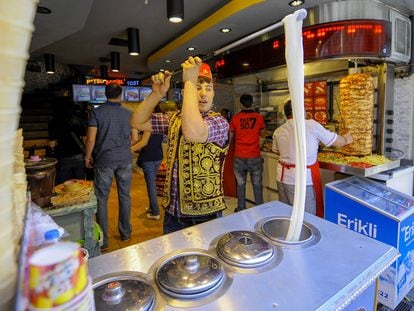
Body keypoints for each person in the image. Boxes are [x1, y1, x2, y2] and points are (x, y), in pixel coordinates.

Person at [131, 56, 230, 234]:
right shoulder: (174, 119)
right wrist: (157, 94)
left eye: (208, 89)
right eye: (197, 87)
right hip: (172, 213)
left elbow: (194, 132)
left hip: (205, 216)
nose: (203, 93)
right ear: (186, 94)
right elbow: (137, 121)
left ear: (213, 94)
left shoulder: (219, 122)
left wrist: (190, 82)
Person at [272, 99, 353, 217]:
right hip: (301, 179)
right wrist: (347, 139)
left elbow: (276, 151)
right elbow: (337, 142)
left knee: (286, 212)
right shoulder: (311, 125)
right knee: (306, 216)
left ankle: (287, 234)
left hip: (282, 177)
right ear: (301, 110)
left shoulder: (278, 131)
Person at [84, 82, 134, 251]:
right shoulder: (129, 113)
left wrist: (87, 156)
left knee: (102, 199)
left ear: (105, 94)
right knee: (125, 196)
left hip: (104, 160)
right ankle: (126, 232)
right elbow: (134, 137)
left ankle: (104, 241)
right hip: (125, 159)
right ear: (120, 94)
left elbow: (90, 139)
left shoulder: (96, 113)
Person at [229, 94, 265, 212]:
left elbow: (230, 136)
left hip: (239, 155)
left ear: (241, 104)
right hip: (254, 155)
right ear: (252, 103)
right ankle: (260, 207)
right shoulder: (259, 117)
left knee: (240, 183)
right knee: (257, 183)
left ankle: (241, 207)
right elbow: (263, 134)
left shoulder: (235, 118)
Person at [48, 89, 87, 184]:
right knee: (79, 183)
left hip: (63, 156)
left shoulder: (53, 122)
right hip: (78, 155)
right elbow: (85, 139)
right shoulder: (79, 120)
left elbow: (52, 144)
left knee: (63, 184)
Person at [131, 130, 164, 220]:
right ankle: (152, 207)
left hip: (149, 157)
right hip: (158, 156)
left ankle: (155, 212)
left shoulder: (149, 124)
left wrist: (129, 149)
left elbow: (144, 142)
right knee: (152, 183)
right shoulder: (160, 121)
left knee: (151, 185)